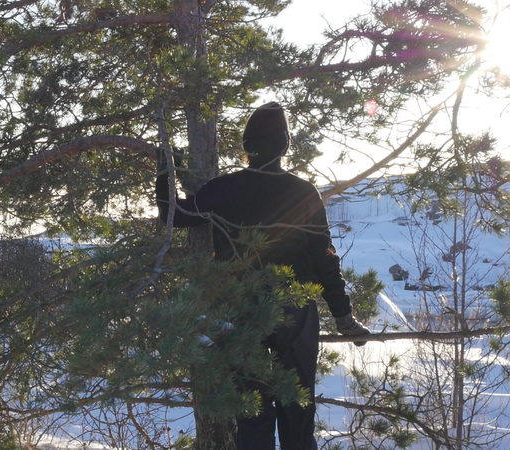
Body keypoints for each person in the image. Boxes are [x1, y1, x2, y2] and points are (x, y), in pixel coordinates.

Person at [155, 102, 369, 450]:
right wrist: (343, 316)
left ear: (247, 146)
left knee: (252, 417)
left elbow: (173, 215)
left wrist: (167, 169)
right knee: (297, 412)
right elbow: (324, 259)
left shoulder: (224, 188)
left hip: (241, 311)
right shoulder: (304, 192)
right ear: (285, 146)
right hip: (295, 311)